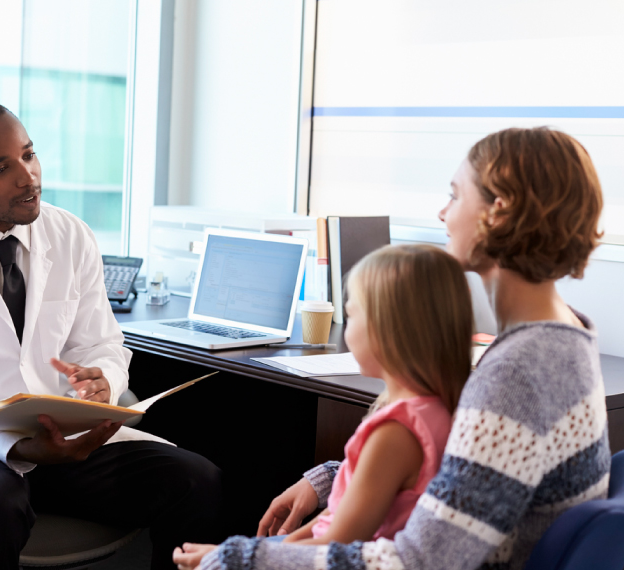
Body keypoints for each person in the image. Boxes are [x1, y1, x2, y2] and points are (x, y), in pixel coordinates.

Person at [174, 126, 610, 570]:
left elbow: (418, 561)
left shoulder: (519, 372)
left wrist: (237, 559)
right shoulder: (563, 336)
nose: (443, 213)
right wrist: (330, 479)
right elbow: (458, 466)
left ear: (498, 211)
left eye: (455, 195)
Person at [0, 100, 222, 570]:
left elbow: (101, 343)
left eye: (29, 155)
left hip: (64, 439)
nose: (28, 176)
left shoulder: (71, 235)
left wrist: (103, 380)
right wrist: (15, 446)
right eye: (1, 167)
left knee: (195, 479)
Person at [280, 244, 472, 547]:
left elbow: (337, 544)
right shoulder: (438, 408)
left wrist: (246, 556)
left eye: (350, 314)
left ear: (388, 330)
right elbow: (339, 513)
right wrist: (281, 545)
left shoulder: (395, 433)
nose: (345, 328)